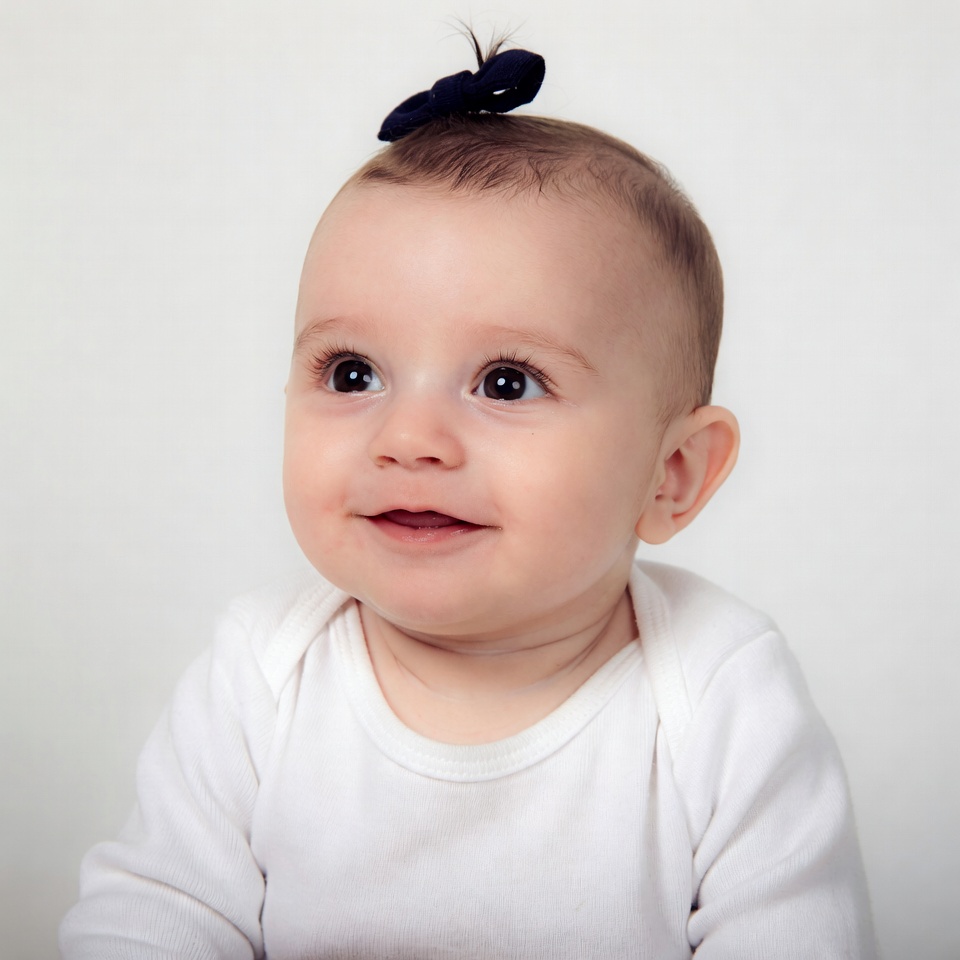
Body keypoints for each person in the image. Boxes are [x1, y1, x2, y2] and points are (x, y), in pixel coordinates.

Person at [60, 41, 877, 959]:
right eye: (353, 372)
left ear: (672, 474)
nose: (409, 438)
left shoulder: (720, 693)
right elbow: (154, 916)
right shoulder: (262, 673)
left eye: (506, 383)